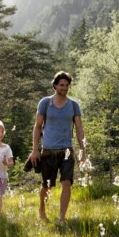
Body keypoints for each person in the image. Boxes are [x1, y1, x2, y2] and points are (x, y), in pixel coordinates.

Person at [28, 71, 86, 223]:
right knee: (47, 185)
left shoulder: (74, 105)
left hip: (67, 150)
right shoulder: (45, 103)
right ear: (55, 86)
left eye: (67, 85)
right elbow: (37, 126)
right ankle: (42, 209)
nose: (64, 88)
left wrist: (82, 150)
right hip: (48, 150)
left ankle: (62, 218)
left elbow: (79, 129)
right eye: (61, 85)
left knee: (67, 182)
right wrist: (35, 150)